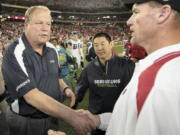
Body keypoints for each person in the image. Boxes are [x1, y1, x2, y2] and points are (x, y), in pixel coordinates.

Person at [84, 0, 180, 135]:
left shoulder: (160, 82)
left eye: (136, 12)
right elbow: (134, 119)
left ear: (163, 13)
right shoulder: (160, 70)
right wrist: (98, 120)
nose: (128, 21)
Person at [2, 5, 96, 135]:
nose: (45, 28)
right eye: (39, 22)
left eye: (48, 23)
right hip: (26, 121)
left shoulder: (52, 49)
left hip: (51, 116)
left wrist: (65, 89)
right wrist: (72, 116)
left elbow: (56, 76)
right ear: (26, 25)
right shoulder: (14, 52)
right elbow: (31, 96)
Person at [72, 32, 135, 135]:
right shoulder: (88, 69)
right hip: (96, 121)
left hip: (121, 119)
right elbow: (79, 92)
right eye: (96, 45)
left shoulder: (128, 66)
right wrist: (72, 110)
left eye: (102, 44)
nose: (99, 48)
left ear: (111, 44)